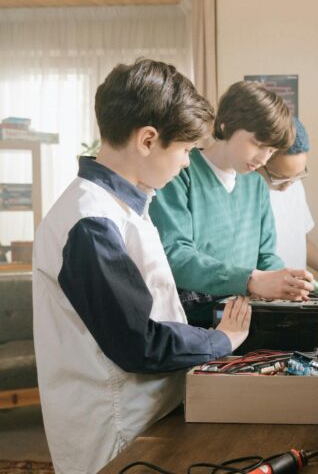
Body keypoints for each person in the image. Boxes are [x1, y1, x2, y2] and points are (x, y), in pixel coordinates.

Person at [32, 59, 253, 473]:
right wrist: (220, 341)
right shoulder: (89, 222)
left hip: (143, 412)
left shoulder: (126, 204)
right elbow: (139, 343)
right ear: (148, 140)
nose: (188, 162)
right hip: (116, 430)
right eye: (186, 150)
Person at [149, 81, 315, 327]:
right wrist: (250, 280)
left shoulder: (256, 186)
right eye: (258, 144)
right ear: (226, 125)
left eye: (270, 151)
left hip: (242, 320)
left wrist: (287, 283)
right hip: (190, 322)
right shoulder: (180, 174)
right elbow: (176, 255)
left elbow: (266, 257)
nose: (263, 158)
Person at [256, 117, 318, 282]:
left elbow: (299, 238)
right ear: (261, 162)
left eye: (297, 175)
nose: (288, 185)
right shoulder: (248, 193)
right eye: (280, 178)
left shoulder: (294, 184)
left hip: (294, 294)